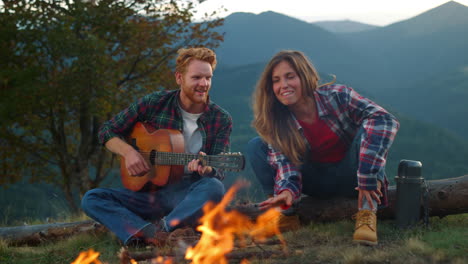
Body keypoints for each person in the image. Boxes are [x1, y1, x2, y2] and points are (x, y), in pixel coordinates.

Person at [81, 47, 232, 246]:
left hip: (187, 197)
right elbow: (107, 131)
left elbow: (219, 169)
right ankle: (147, 232)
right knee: (92, 198)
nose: (203, 84)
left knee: (214, 186)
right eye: (196, 77)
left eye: (208, 78)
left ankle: (160, 231)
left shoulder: (221, 119)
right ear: (179, 77)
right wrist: (129, 152)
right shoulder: (154, 103)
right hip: (147, 195)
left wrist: (209, 168)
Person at [246, 50, 399, 246]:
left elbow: (385, 119)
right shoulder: (278, 123)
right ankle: (285, 216)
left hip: (354, 177)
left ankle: (367, 215)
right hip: (315, 182)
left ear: (305, 75)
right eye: (276, 80)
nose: (283, 85)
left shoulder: (338, 96)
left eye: (290, 76)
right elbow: (287, 167)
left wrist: (368, 177)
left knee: (371, 131)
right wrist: (286, 192)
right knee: (256, 146)